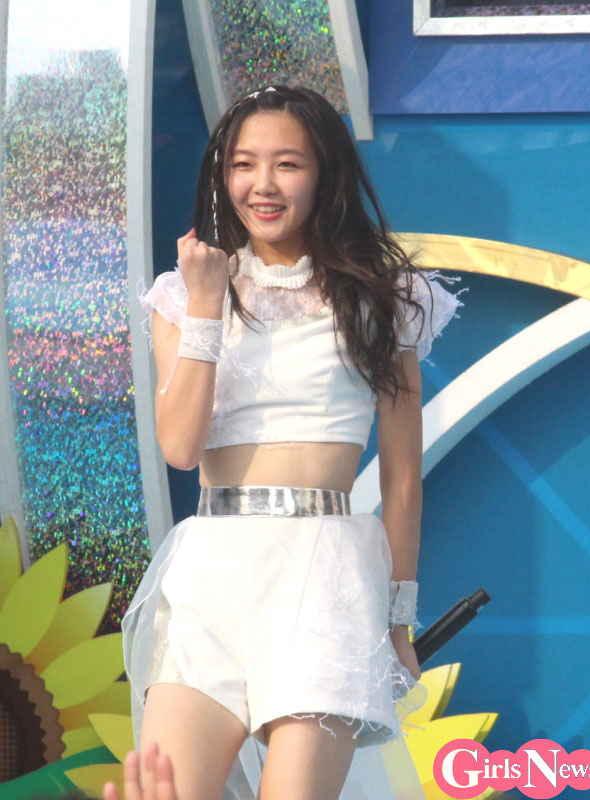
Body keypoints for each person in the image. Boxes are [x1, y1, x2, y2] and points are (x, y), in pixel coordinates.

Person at [118, 85, 461, 800]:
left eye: (287, 164)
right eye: (243, 164)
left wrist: (398, 621)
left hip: (325, 574)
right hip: (211, 571)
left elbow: (401, 479)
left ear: (324, 174)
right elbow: (180, 447)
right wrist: (207, 303)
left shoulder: (384, 296)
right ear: (223, 175)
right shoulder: (181, 294)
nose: (263, 185)